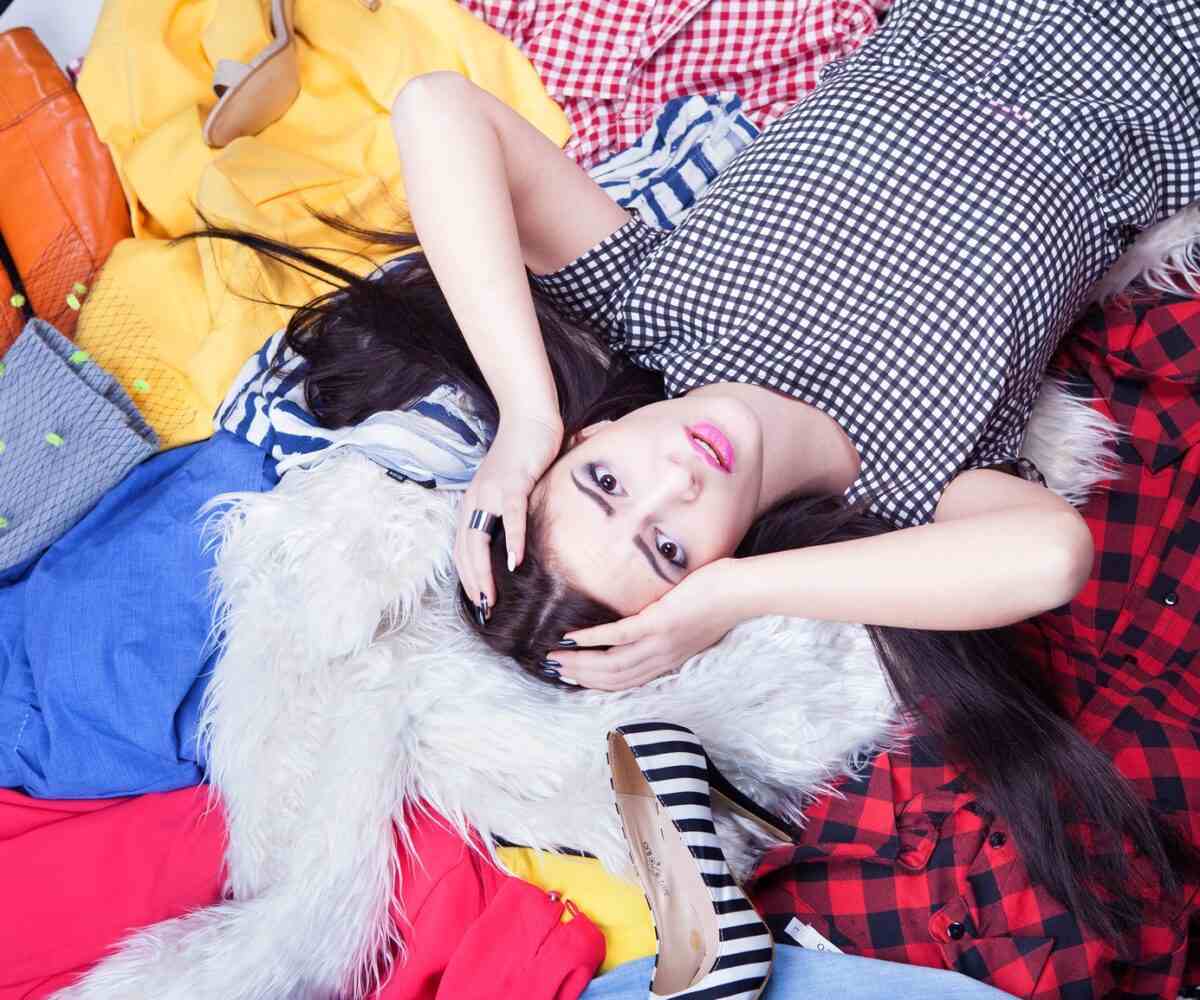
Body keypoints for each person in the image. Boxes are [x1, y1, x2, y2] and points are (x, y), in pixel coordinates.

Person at [187, 0, 1200, 972]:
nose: (671, 478)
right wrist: (731, 598)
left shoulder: (649, 309)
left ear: (597, 431)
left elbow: (435, 107)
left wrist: (525, 419)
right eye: (669, 548)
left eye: (605, 480)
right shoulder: (905, 492)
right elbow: (1053, 555)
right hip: (1164, 91)